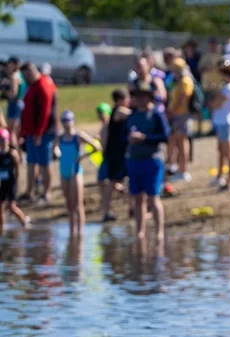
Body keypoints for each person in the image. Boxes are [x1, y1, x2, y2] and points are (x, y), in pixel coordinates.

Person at [125, 81, 169, 241]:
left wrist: (144, 138)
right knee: (137, 198)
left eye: (144, 96)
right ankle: (140, 232)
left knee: (153, 196)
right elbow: (123, 136)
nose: (141, 100)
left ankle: (159, 232)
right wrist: (130, 139)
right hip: (134, 160)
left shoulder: (156, 115)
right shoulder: (132, 116)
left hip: (152, 160)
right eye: (138, 97)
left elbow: (165, 136)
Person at [19, 62, 57, 203]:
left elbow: (45, 112)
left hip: (44, 132)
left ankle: (47, 192)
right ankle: (29, 191)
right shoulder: (31, 86)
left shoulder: (43, 85)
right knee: (31, 162)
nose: (26, 78)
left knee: (45, 163)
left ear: (33, 71)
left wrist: (39, 132)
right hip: (31, 132)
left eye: (27, 74)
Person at [57, 110, 99, 235]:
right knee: (69, 204)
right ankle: (71, 233)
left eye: (69, 120)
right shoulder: (59, 137)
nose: (67, 123)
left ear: (73, 121)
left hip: (76, 171)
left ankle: (80, 233)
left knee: (78, 204)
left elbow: (96, 147)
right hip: (63, 171)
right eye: (64, 121)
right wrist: (56, 152)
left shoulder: (78, 136)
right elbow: (54, 147)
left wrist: (82, 156)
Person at [209, 60, 230, 191]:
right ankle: (223, 177)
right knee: (223, 152)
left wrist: (214, 92)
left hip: (225, 123)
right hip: (224, 123)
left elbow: (215, 104)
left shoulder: (228, 89)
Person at [100, 89, 131, 222]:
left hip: (119, 152)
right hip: (116, 153)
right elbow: (133, 114)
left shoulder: (116, 111)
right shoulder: (119, 110)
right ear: (121, 100)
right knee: (112, 182)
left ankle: (132, 207)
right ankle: (107, 211)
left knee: (124, 180)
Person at [166, 58, 194, 182]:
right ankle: (178, 167)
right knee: (176, 142)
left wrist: (172, 110)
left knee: (182, 143)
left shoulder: (185, 81)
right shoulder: (177, 81)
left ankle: (184, 170)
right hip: (177, 115)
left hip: (182, 115)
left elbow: (183, 98)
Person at [0, 129, 29, 231]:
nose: (2, 142)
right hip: (2, 183)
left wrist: (16, 183)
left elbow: (17, 169)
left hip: (11, 183)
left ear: (7, 140)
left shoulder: (12, 154)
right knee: (1, 207)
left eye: (3, 139)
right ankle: (2, 228)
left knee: (11, 206)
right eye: (0, 140)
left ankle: (24, 222)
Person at [3, 58, 25, 137]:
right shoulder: (20, 74)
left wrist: (5, 92)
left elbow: (13, 94)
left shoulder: (13, 76)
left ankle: (12, 148)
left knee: (11, 131)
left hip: (14, 103)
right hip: (21, 102)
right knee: (18, 130)